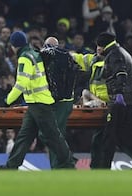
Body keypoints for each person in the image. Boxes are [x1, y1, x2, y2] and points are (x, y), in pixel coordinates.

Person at [0, 31, 75, 169]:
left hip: (39, 103)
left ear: (13, 46)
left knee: (53, 136)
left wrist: (7, 100)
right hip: (36, 102)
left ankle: (69, 163)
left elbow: (21, 84)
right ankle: (11, 166)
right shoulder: (34, 54)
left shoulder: (25, 57)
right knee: (24, 137)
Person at [93, 32, 132, 169]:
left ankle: (104, 167)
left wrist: (118, 94)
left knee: (110, 136)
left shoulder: (114, 54)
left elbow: (120, 74)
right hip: (128, 100)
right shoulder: (120, 52)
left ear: (102, 46)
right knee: (123, 136)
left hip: (120, 101)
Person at [39, 36, 79, 168]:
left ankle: (65, 161)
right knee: (53, 135)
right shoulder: (67, 57)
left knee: (52, 134)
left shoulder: (50, 59)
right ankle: (62, 162)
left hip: (61, 103)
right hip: (61, 101)